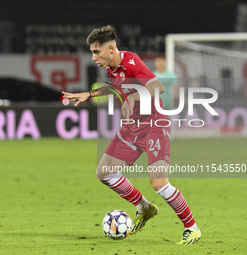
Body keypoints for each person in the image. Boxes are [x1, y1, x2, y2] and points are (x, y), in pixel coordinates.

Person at [62, 25, 200, 244]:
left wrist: (133, 98)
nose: (93, 57)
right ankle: (144, 208)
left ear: (110, 49)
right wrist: (89, 94)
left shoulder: (132, 61)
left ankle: (192, 228)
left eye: (96, 52)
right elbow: (115, 87)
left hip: (155, 124)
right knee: (104, 172)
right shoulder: (113, 67)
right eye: (92, 52)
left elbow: (157, 86)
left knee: (159, 183)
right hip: (131, 127)